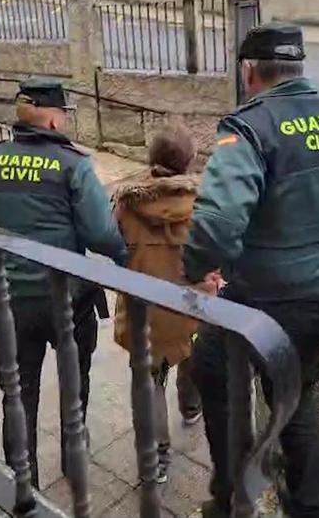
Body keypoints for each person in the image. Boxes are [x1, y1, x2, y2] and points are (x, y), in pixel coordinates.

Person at [184, 22, 319, 518]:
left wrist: (198, 267)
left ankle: (234, 497)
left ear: (250, 71)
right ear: (298, 68)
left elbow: (216, 223)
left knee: (213, 369)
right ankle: (310, 509)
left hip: (261, 299)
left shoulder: (249, 127)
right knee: (293, 400)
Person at [0, 77, 128, 489]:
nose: (65, 120)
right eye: (64, 113)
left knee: (17, 391)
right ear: (52, 118)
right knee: (74, 380)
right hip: (67, 299)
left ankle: (21, 477)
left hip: (9, 301)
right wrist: (127, 258)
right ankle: (73, 457)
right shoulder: (74, 164)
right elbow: (100, 234)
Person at [111, 124, 214, 484]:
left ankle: (157, 457)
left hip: (144, 308)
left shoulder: (126, 204)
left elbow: (113, 245)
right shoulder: (204, 204)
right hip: (190, 305)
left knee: (149, 381)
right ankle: (191, 408)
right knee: (190, 355)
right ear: (190, 161)